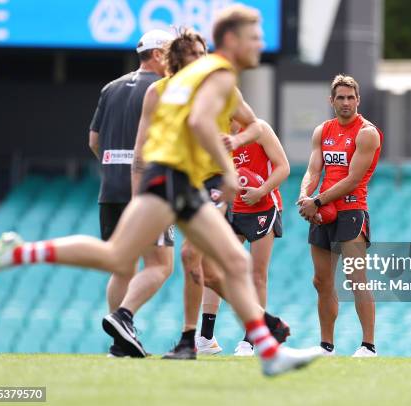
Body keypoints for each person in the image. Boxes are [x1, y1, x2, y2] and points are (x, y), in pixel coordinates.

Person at [0, 4, 320, 376]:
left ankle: (268, 353)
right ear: (232, 40)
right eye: (255, 36)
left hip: (169, 176)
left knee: (222, 262)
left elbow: (174, 136)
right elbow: (202, 121)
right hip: (174, 177)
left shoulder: (179, 82)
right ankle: (18, 252)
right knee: (127, 257)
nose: (261, 44)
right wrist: (227, 168)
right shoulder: (216, 73)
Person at [130, 28, 289, 360]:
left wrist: (248, 172)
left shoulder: (225, 99)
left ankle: (253, 338)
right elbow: (154, 145)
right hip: (186, 184)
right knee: (205, 262)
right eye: (253, 38)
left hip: (252, 203)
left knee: (229, 264)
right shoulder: (177, 94)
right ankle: (228, 334)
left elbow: (278, 158)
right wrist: (227, 167)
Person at [88, 29, 176, 358]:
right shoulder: (163, 91)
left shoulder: (110, 88)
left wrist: (114, 169)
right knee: (161, 265)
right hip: (148, 191)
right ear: (156, 55)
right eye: (169, 53)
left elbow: (94, 141)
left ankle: (119, 345)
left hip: (110, 190)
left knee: (121, 267)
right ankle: (123, 317)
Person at [298, 74, 382, 357]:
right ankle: (326, 346)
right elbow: (313, 170)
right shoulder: (323, 130)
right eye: (340, 98)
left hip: (351, 210)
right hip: (323, 210)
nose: (345, 103)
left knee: (357, 278)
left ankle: (368, 345)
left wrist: (317, 200)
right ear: (331, 101)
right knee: (321, 281)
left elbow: (352, 179)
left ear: (358, 100)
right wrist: (304, 196)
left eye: (350, 98)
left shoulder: (366, 132)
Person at [194, 118, 290, 357]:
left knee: (257, 274)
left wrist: (262, 190)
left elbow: (283, 167)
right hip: (233, 208)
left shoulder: (259, 129)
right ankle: (206, 336)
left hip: (264, 206)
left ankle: (250, 340)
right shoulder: (217, 138)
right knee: (215, 267)